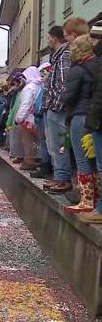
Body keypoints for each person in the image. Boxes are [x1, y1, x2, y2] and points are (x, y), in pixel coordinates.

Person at [61, 34, 98, 212]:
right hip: (94, 116)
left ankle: (86, 201)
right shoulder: (97, 64)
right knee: (94, 159)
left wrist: (62, 97)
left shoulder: (78, 69)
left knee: (82, 159)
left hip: (79, 115)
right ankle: (97, 201)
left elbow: (68, 96)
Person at [43, 26, 74, 193]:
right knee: (52, 144)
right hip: (54, 107)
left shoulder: (64, 56)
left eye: (49, 37)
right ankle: (59, 176)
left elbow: (64, 84)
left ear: (54, 39)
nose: (48, 41)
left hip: (58, 108)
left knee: (59, 145)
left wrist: (54, 105)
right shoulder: (58, 56)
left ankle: (63, 179)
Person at [78, 21, 102, 223]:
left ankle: (100, 209)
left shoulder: (95, 64)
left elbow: (98, 96)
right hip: (95, 117)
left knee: (99, 165)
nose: (91, 42)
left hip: (97, 119)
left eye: (94, 37)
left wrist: (91, 123)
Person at [15, 66, 43, 171]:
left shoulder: (29, 88)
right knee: (37, 141)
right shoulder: (39, 86)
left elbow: (25, 104)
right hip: (37, 118)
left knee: (27, 141)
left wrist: (18, 118)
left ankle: (29, 161)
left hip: (28, 119)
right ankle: (37, 159)